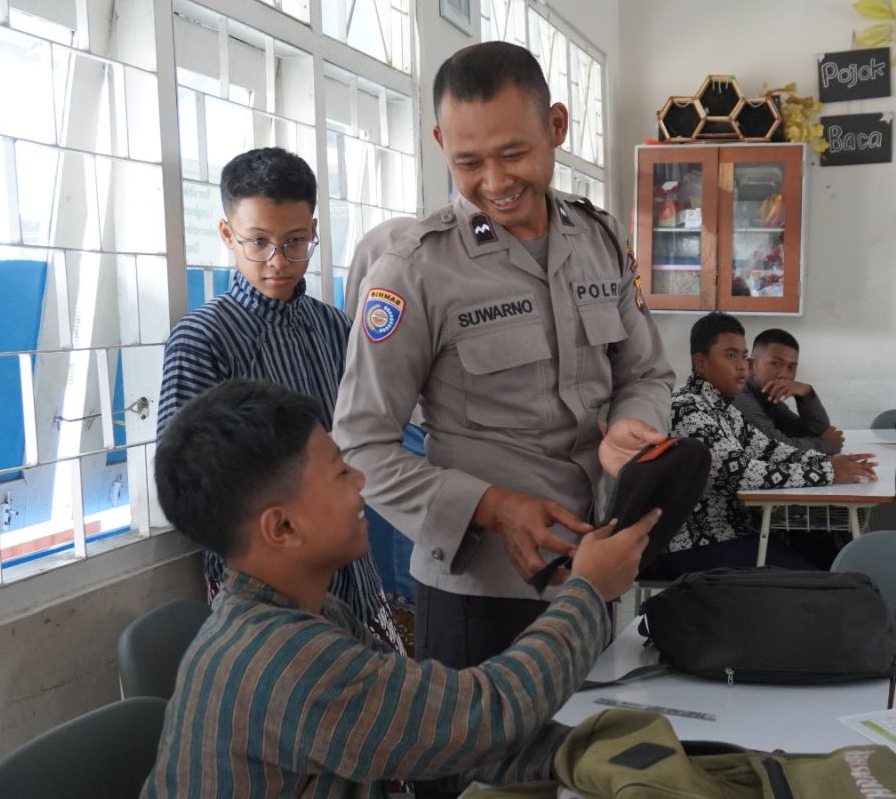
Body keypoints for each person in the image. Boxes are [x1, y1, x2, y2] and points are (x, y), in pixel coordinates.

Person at [333, 40, 675, 675]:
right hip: (480, 598)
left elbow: (647, 373)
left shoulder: (599, 239)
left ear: (556, 127)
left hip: (595, 570)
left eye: (513, 153)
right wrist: (489, 506)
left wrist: (635, 422)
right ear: (441, 143)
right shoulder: (414, 271)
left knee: (585, 766)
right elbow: (359, 445)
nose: (495, 183)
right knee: (483, 776)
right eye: (468, 162)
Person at [143, 379, 659, 798]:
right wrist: (588, 591)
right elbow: (479, 717)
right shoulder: (286, 658)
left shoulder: (310, 614)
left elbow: (429, 728)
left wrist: (604, 761)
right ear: (282, 529)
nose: (361, 483)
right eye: (341, 473)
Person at [156, 146, 401, 651]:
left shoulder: (332, 326)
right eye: (258, 243)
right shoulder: (203, 340)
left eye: (294, 243)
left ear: (314, 230)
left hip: (353, 569)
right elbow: (189, 491)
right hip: (268, 596)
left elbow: (357, 437)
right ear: (227, 235)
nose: (278, 262)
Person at [642, 313, 878, 579]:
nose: (743, 366)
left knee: (830, 555)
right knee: (817, 582)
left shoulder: (725, 408)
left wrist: (832, 464)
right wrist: (827, 471)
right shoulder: (686, 407)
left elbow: (770, 450)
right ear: (701, 363)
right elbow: (739, 474)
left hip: (735, 531)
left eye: (744, 356)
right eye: (730, 356)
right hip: (692, 543)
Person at [733, 328, 844, 455]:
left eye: (791, 367)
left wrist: (807, 393)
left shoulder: (768, 397)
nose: (785, 375)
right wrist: (827, 445)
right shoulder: (739, 395)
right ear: (751, 365)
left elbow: (815, 431)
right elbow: (775, 448)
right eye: (776, 363)